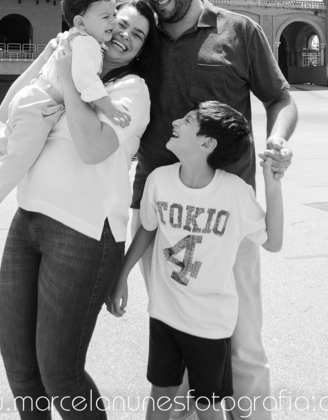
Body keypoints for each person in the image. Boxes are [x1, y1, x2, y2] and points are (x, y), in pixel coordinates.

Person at [135, 0, 297, 420]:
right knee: (176, 342)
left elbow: (279, 98)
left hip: (229, 214)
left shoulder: (239, 31)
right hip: (160, 213)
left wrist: (278, 140)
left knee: (243, 342)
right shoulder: (143, 37)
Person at [0, 0, 160, 420]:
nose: (124, 36)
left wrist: (69, 79)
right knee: (21, 369)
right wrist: (52, 55)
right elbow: (8, 111)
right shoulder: (66, 63)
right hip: (28, 220)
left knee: (60, 376)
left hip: (85, 235)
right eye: (119, 23)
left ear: (141, 51)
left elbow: (91, 148)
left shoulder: (130, 91)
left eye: (137, 36)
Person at [109, 102, 285, 420]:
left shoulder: (234, 192)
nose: (175, 121)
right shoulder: (158, 180)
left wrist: (272, 184)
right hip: (164, 317)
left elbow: (273, 241)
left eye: (188, 120)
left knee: (208, 406)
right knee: (161, 395)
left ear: (207, 144)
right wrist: (121, 276)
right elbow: (147, 229)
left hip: (210, 326)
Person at [0, 0, 132, 246]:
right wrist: (108, 105)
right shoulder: (87, 44)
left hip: (30, 95)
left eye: (114, 14)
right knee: (19, 156)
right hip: (43, 105)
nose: (113, 21)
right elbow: (84, 78)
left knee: (4, 146)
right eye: (106, 16)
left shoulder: (72, 37)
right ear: (81, 22)